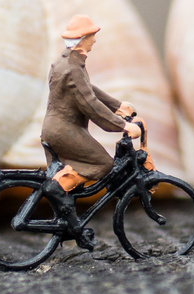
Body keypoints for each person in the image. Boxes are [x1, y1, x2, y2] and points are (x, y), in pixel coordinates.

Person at [40, 14, 145, 250]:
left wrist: (117, 105)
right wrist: (121, 126)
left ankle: (66, 199)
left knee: (93, 168)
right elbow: (90, 104)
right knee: (104, 165)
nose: (95, 41)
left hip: (58, 127)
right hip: (64, 130)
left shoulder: (67, 62)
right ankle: (59, 185)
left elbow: (90, 90)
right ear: (83, 38)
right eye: (92, 36)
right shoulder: (71, 68)